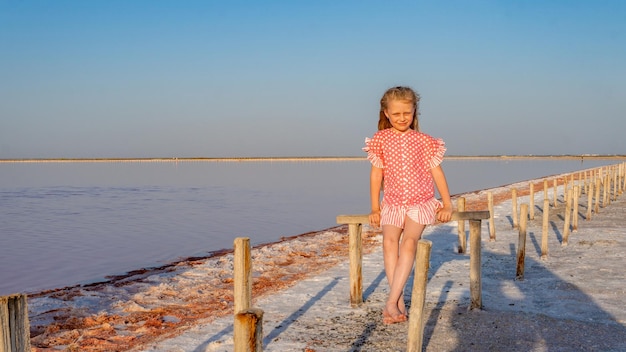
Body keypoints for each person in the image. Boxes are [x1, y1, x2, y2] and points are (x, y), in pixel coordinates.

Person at [363, 86, 453, 324]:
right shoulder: (380, 140)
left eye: (407, 113)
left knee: (409, 242)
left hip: (420, 202)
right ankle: (399, 301)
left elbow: (437, 173)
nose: (402, 118)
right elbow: (376, 175)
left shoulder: (424, 141)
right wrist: (375, 207)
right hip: (392, 203)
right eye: (396, 114)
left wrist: (446, 204)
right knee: (389, 242)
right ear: (386, 113)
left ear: (415, 112)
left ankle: (391, 302)